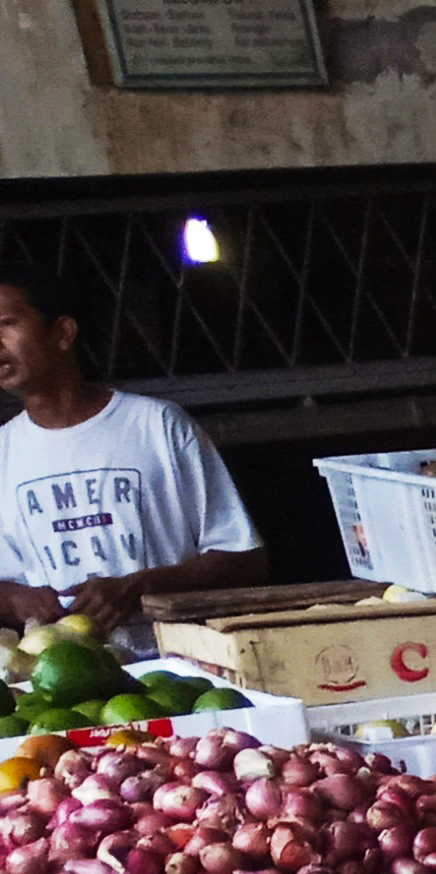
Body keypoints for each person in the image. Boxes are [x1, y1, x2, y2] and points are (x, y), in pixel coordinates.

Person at [0, 254, 260, 643]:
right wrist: (14, 598)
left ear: (63, 333)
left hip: (181, 664)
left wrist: (140, 586)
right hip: (67, 679)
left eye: (6, 324)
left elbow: (247, 562)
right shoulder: (4, 450)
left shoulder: (157, 425)